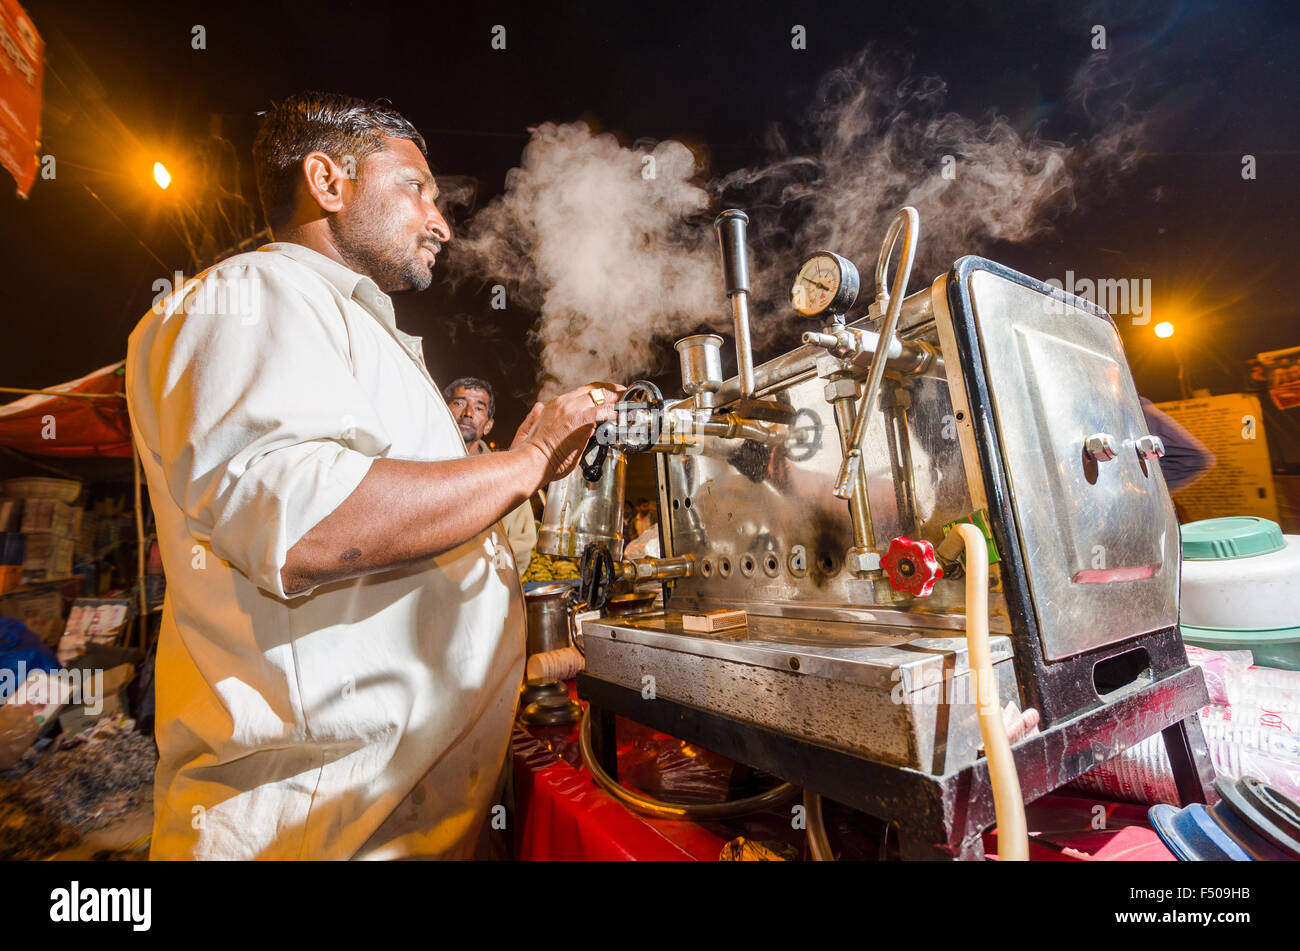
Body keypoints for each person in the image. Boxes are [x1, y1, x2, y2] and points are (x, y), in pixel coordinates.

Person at [125, 92, 619, 860]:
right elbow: (305, 523)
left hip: (395, 825)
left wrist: (522, 465)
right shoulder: (250, 296)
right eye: (416, 187)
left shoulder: (347, 324)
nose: (440, 220)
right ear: (328, 181)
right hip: (309, 834)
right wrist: (521, 466)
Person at [444, 376, 538, 573]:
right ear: (442, 412)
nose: (468, 413)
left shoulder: (507, 475)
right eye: (459, 403)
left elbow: (520, 547)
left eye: (479, 408)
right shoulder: (420, 466)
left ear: (488, 426)